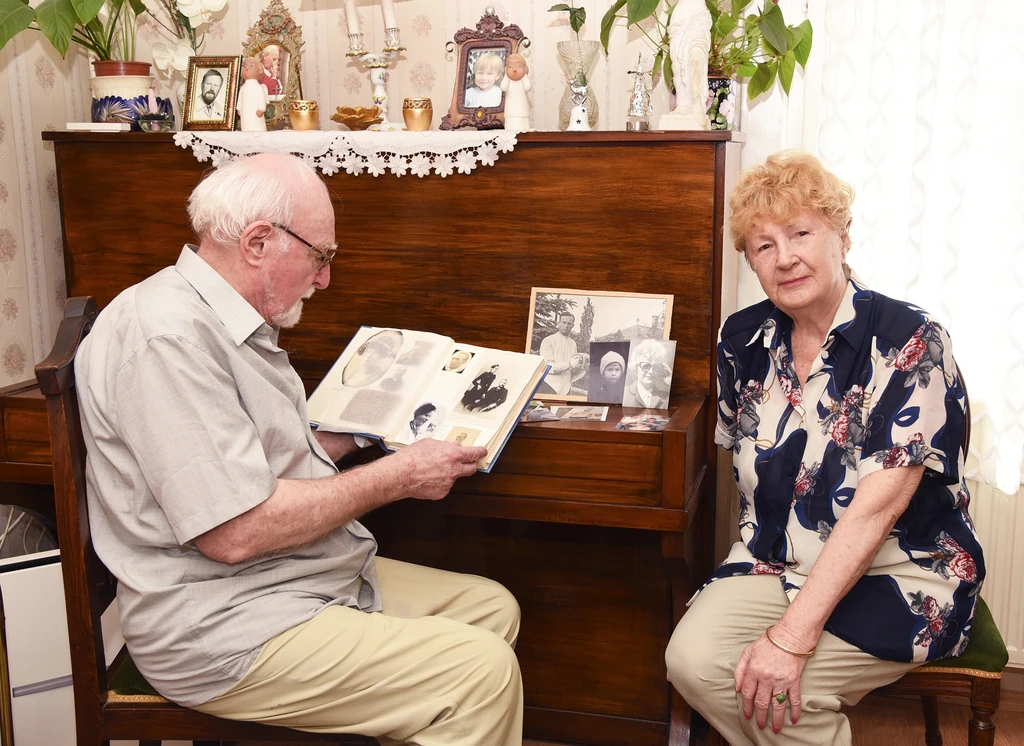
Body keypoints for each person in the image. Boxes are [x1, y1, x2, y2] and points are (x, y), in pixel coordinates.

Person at [74, 153, 523, 745]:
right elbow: (235, 532)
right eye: (321, 256)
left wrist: (356, 432)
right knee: (479, 674)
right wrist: (396, 477)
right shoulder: (166, 338)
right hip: (221, 623)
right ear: (258, 242)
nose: (324, 278)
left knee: (491, 608)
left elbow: (241, 461)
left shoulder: (218, 317)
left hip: (284, 578)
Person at [665, 151, 984, 745]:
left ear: (842, 237)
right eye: (763, 246)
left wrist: (789, 638)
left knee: (789, 689)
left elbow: (877, 510)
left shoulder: (909, 341)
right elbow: (742, 477)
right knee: (690, 660)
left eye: (800, 233)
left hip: (900, 569)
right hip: (774, 561)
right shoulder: (742, 341)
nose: (784, 257)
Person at [622, 340, 671, 408]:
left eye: (656, 367)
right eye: (646, 366)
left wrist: (670, 381)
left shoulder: (666, 397)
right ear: (635, 368)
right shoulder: (624, 394)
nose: (651, 371)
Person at [538, 312, 578, 396]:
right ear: (558, 323)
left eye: (569, 323)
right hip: (550, 386)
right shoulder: (548, 341)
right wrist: (569, 364)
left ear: (572, 325)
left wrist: (581, 366)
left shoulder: (573, 343)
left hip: (566, 387)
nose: (566, 326)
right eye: (564, 322)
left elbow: (573, 367)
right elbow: (548, 367)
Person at [500, 53, 532, 130]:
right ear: (506, 69)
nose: (515, 69)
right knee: (511, 123)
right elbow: (503, 87)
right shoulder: (508, 80)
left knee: (523, 123)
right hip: (510, 110)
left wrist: (524, 76)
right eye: (510, 67)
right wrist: (506, 76)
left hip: (522, 107)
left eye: (518, 66)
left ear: (525, 68)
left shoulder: (523, 79)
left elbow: (527, 87)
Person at [236, 57, 269, 132]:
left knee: (256, 128)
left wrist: (261, 109)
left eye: (251, 66)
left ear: (259, 71)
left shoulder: (258, 88)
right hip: (245, 115)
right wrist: (239, 109)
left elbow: (261, 99)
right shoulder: (243, 88)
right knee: (246, 128)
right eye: (245, 66)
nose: (246, 68)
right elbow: (240, 99)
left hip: (256, 116)